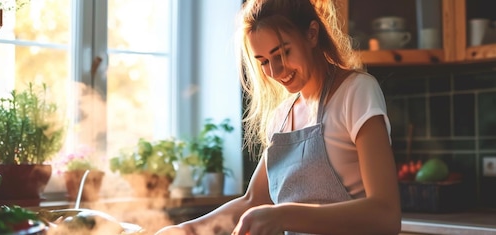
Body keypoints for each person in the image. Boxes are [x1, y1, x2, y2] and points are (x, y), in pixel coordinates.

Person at [156, 0, 401, 234]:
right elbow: (253, 200)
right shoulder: (281, 117)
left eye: (282, 53)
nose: (275, 71)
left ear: (312, 34)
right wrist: (187, 230)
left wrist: (282, 215)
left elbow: (385, 215)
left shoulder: (356, 92)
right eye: (263, 61)